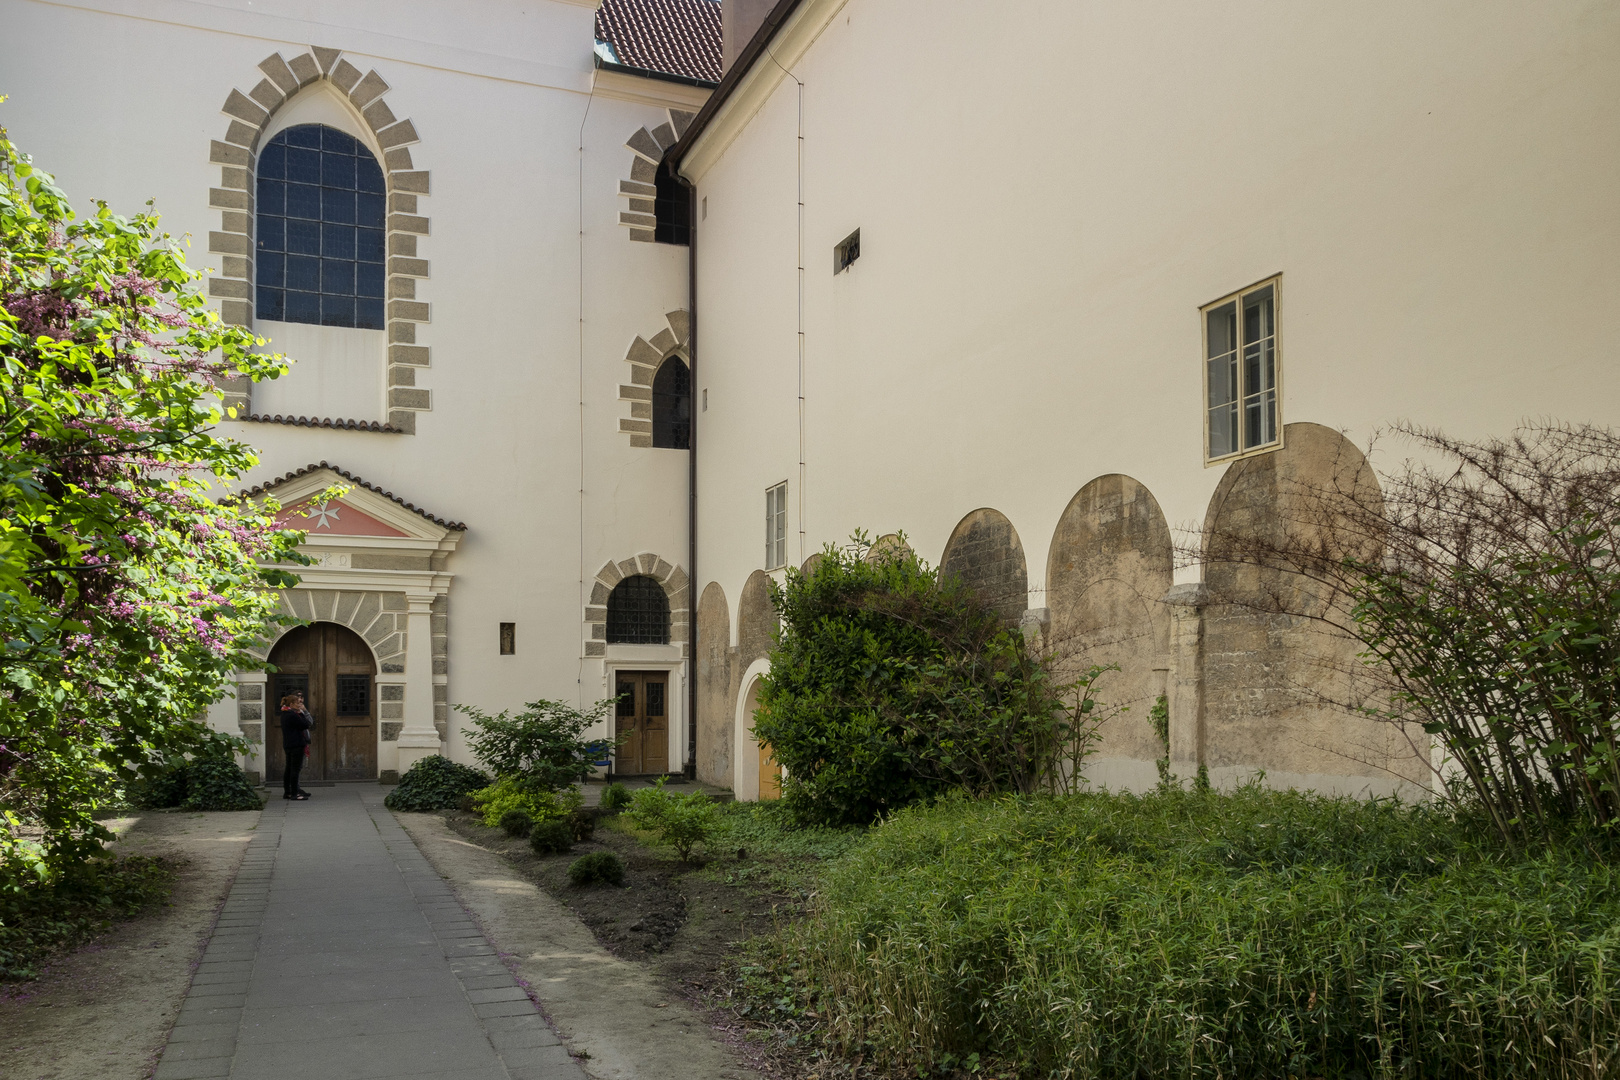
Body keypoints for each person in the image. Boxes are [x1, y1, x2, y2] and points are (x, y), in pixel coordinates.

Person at [278, 690, 314, 801]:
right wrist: (301, 713)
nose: (300, 705)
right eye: (297, 703)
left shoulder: (285, 713)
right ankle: (294, 793)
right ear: (292, 704)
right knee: (295, 770)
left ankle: (288, 792)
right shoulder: (292, 715)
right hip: (296, 745)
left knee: (289, 769)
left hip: (289, 745)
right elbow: (305, 724)